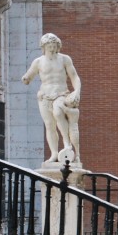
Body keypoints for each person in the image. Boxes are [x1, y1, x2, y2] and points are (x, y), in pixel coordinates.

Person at [22, 33, 82, 165]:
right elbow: (29, 76)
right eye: (49, 46)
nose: (52, 48)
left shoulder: (64, 59)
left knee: (58, 112)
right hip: (44, 96)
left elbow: (74, 77)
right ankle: (54, 153)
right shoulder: (38, 62)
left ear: (58, 46)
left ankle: (67, 144)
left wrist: (77, 91)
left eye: (54, 45)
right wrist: (26, 78)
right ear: (43, 47)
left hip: (61, 94)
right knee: (49, 125)